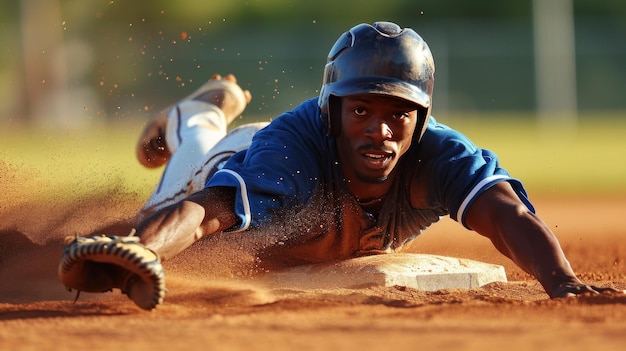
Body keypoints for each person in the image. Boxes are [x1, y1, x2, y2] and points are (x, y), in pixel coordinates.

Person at [134, 21, 618, 298]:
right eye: (361, 109)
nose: (380, 130)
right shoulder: (292, 154)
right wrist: (144, 251)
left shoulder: (439, 156)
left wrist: (563, 281)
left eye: (399, 113)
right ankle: (195, 117)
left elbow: (506, 213)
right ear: (332, 109)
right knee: (161, 214)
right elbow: (207, 208)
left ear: (422, 120)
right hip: (239, 154)